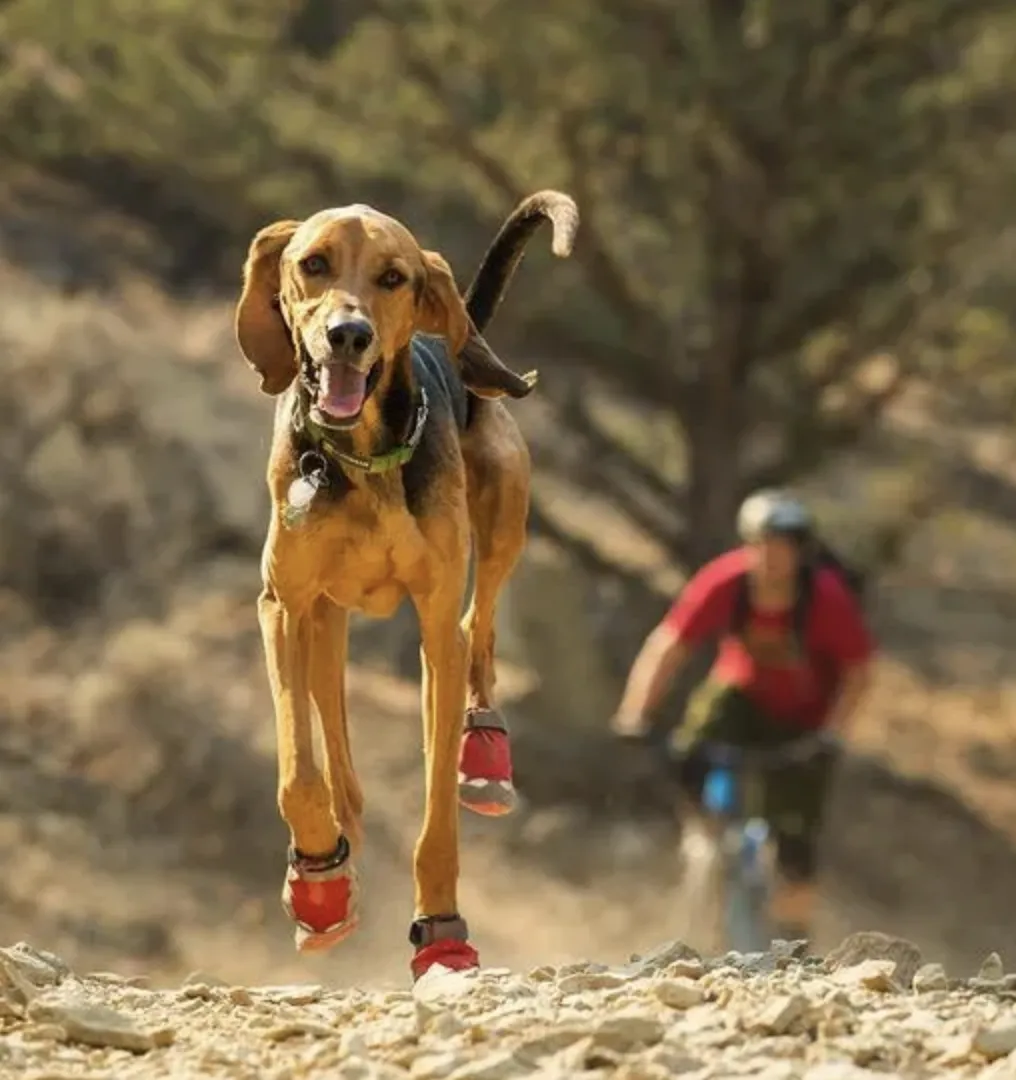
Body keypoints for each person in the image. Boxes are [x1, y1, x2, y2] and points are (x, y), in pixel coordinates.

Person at [609, 489, 875, 941]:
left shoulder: (826, 598)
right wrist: (636, 713)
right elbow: (669, 645)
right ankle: (703, 841)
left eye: (784, 548)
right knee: (691, 744)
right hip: (741, 696)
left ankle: (796, 939)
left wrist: (832, 734)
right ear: (747, 545)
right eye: (762, 545)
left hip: (805, 719)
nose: (772, 558)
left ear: (801, 553)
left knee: (795, 838)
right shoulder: (725, 582)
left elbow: (859, 672)